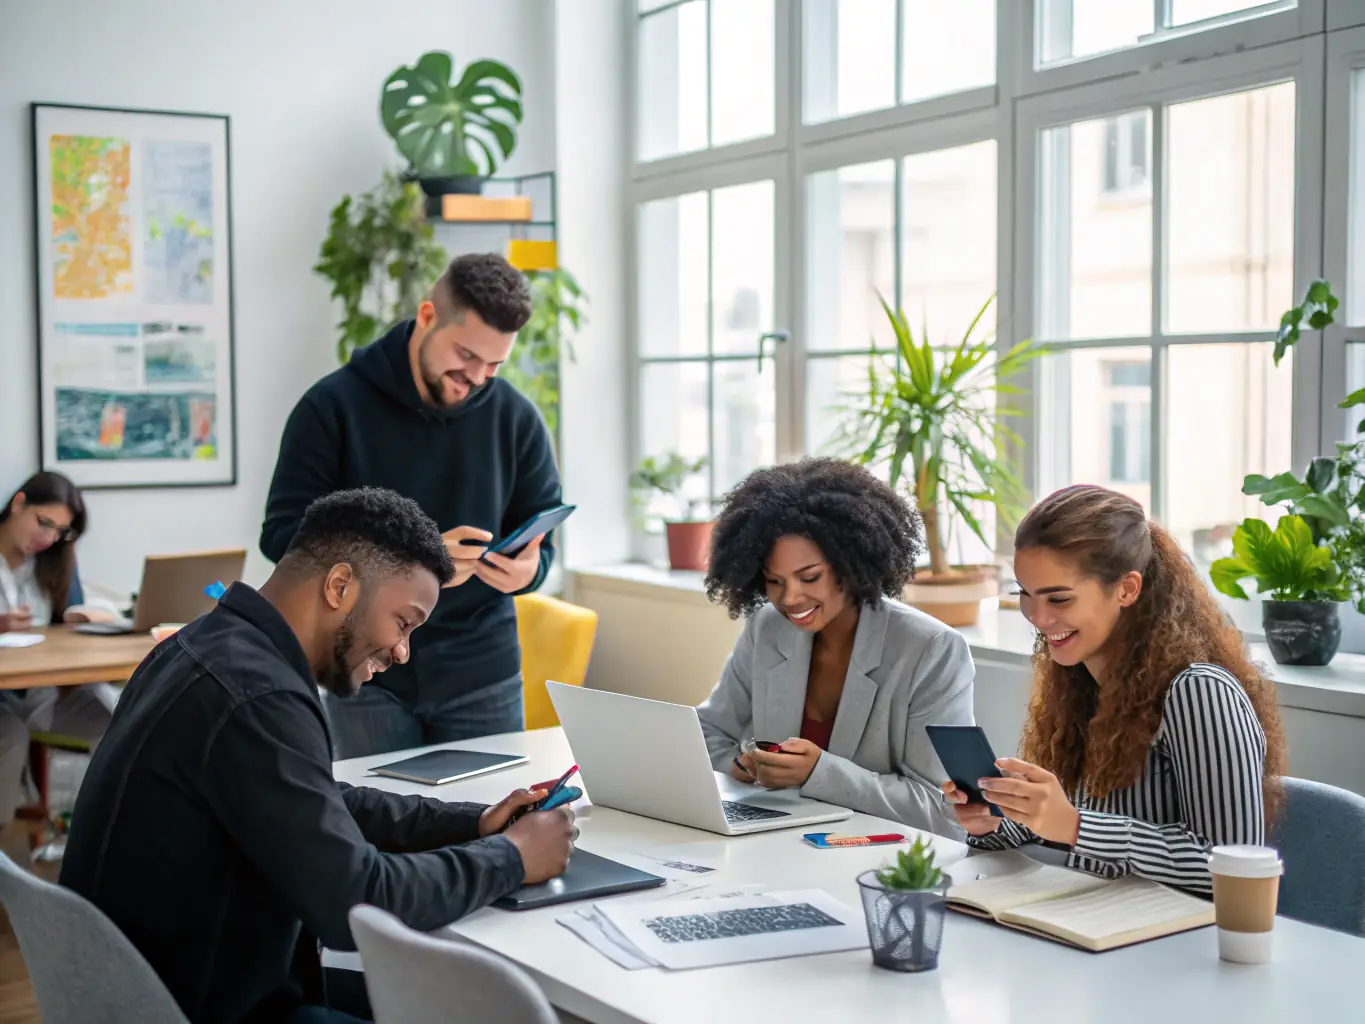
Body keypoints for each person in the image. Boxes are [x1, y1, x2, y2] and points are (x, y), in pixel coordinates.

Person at [60, 488, 576, 1024]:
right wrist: (512, 858)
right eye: (404, 623)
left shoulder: (203, 646)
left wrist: (474, 823)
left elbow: (317, 800)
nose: (403, 652)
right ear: (340, 586)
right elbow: (355, 903)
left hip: (154, 989)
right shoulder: (258, 694)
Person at [261, 253, 560, 759]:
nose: (479, 377)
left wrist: (529, 570)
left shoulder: (517, 420)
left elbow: (542, 542)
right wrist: (415, 559)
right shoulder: (331, 408)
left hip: (482, 672)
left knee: (494, 824)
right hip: (364, 670)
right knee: (377, 833)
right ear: (426, 318)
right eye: (466, 355)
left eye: (494, 364)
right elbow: (284, 538)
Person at [942, 485, 1286, 896]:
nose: (1037, 616)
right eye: (1025, 595)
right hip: (1100, 924)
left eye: (1059, 598)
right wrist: (999, 822)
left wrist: (1074, 827)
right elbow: (1069, 832)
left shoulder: (1200, 692)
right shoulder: (1079, 680)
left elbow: (1232, 865)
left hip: (1176, 944)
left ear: (1126, 589)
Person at [695, 458, 976, 836]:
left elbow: (943, 810)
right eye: (774, 581)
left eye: (809, 577)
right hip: (777, 843)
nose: (790, 598)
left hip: (880, 860)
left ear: (851, 561)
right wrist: (737, 765)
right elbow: (708, 731)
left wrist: (819, 773)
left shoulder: (932, 649)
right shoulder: (767, 626)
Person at [0, 471, 115, 826]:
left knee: (119, 721)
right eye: (44, 523)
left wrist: (82, 616)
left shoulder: (55, 557)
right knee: (9, 736)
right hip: (6, 700)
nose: (48, 538)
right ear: (19, 504)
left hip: (44, 695)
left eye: (59, 532)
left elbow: (70, 616)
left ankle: (110, 837)